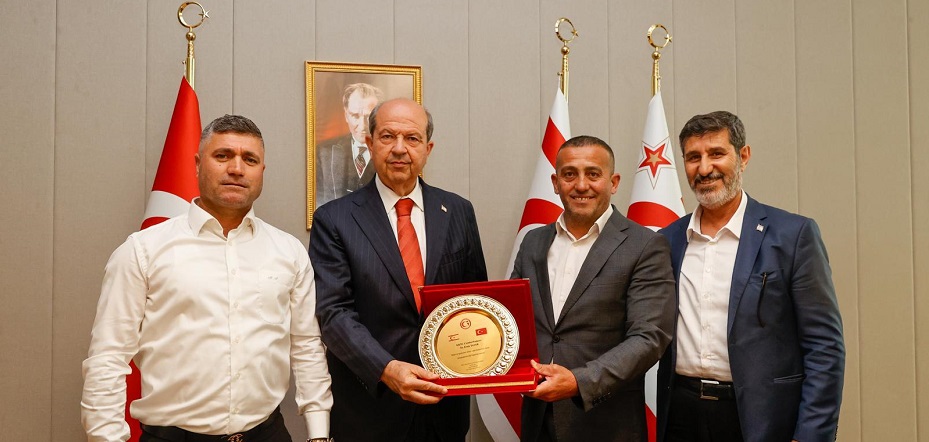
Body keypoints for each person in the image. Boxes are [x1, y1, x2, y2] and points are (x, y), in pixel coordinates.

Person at [81, 115, 333, 442]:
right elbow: (108, 358)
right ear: (198, 164)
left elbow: (307, 347)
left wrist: (318, 434)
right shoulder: (143, 250)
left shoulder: (289, 251)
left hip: (266, 434)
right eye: (223, 155)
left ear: (261, 171)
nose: (237, 169)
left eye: (249, 159)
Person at [656, 111, 845, 442]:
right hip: (681, 415)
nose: (704, 168)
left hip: (761, 419)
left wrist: (811, 434)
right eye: (693, 157)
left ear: (743, 156)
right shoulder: (668, 240)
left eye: (717, 153)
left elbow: (824, 346)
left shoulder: (793, 235)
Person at [310, 98, 488, 441]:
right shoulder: (334, 219)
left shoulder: (459, 211)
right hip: (370, 410)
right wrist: (386, 369)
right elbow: (333, 313)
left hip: (444, 407)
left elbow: (475, 301)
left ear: (428, 149)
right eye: (388, 136)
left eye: (412, 138)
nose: (399, 149)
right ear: (370, 143)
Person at [511, 135, 677, 442]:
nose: (581, 185)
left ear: (613, 182)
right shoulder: (533, 242)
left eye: (593, 174)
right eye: (569, 174)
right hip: (537, 420)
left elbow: (649, 337)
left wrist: (579, 381)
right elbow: (511, 321)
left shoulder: (645, 246)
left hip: (606, 424)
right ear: (555, 182)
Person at [316, 82, 383, 207]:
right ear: (346, 115)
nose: (362, 125)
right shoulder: (323, 153)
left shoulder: (392, 154)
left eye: (368, 117)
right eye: (355, 116)